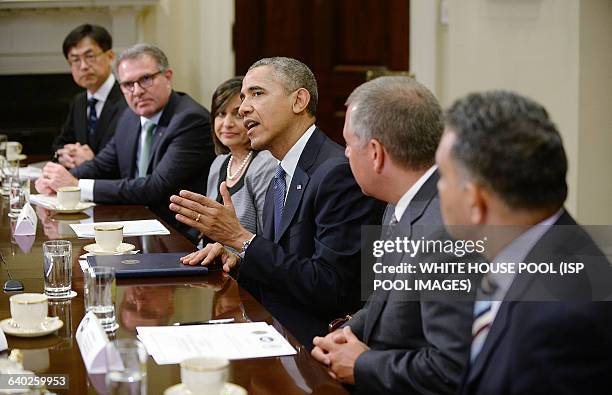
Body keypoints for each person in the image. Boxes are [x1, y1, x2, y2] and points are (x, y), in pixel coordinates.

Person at [169, 57, 385, 345]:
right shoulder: (281, 171)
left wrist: (240, 238)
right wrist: (237, 261)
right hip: (270, 324)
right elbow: (284, 265)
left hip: (313, 341)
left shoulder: (335, 173)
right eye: (244, 96)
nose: (244, 107)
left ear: (299, 101)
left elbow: (330, 288)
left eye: (257, 94)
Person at [436, 91, 612, 394]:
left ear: (475, 200)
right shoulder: (527, 249)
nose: (437, 188)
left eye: (442, 176)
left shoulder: (558, 322)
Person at [310, 76, 473, 394]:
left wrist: (361, 366)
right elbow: (380, 301)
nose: (344, 154)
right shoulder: (397, 200)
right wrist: (343, 335)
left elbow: (451, 371)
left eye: (348, 143)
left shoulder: (448, 234)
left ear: (375, 153)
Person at [36, 44, 215, 239]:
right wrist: (58, 181)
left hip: (177, 234)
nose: (136, 91)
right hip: (135, 223)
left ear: (168, 76)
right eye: (128, 84)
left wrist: (76, 185)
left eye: (145, 79)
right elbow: (102, 164)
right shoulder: (130, 117)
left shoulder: (190, 120)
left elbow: (155, 187)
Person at [180, 77, 275, 263]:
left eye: (238, 115)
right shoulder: (219, 163)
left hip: (247, 273)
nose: (227, 123)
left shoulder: (265, 166)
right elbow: (207, 234)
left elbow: (268, 243)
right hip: (213, 265)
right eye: (221, 114)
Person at [53, 24, 127, 168]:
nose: (83, 66)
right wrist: (64, 155)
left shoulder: (128, 99)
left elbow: (128, 159)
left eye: (90, 56)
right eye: (75, 60)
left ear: (110, 56)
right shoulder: (79, 101)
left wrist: (93, 162)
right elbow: (60, 143)